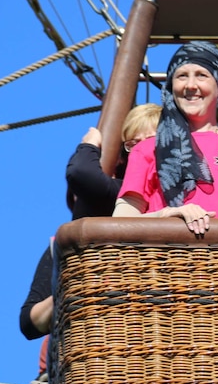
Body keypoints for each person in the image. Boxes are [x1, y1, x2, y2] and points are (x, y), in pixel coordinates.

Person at [19, 103, 162, 341]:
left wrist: (89, 144)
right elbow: (29, 322)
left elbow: (81, 174)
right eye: (134, 144)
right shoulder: (116, 196)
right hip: (101, 338)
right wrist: (77, 285)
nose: (143, 151)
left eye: (152, 141)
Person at [113, 41, 218, 235]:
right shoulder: (147, 149)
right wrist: (168, 215)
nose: (190, 85)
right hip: (166, 259)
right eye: (182, 76)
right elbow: (121, 222)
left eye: (201, 75)